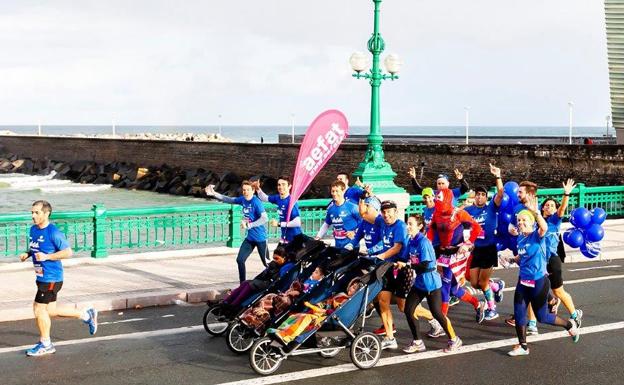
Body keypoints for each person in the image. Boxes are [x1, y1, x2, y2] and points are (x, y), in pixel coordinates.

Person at [19, 200, 97, 356]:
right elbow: (36, 247)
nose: (33, 215)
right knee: (51, 310)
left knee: (38, 309)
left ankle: (46, 344)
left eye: (37, 212)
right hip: (42, 277)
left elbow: (68, 252)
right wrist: (28, 254)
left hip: (51, 278)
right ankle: (87, 315)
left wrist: (47, 256)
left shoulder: (53, 232)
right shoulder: (33, 230)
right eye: (32, 212)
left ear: (46, 213)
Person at [507, 202, 580, 357]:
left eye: (524, 220)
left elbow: (545, 228)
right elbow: (522, 257)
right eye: (519, 221)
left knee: (543, 317)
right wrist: (512, 260)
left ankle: (569, 325)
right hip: (523, 282)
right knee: (519, 313)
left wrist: (536, 213)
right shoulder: (520, 238)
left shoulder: (537, 235)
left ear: (532, 223)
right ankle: (523, 347)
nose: (520, 223)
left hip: (539, 282)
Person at [526, 179, 583, 334]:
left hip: (552, 260)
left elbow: (563, 208)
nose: (549, 206)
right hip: (537, 261)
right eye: (547, 204)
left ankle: (574, 314)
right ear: (542, 207)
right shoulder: (535, 220)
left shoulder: (554, 220)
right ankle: (532, 323)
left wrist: (566, 193)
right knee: (532, 290)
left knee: (558, 291)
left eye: (552, 205)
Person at [402, 214, 462, 353]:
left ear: (420, 226)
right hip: (419, 284)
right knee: (408, 310)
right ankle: (417, 342)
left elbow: (427, 266)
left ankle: (454, 339)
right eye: (407, 223)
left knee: (437, 313)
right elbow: (404, 257)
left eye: (410, 224)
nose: (408, 226)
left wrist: (409, 266)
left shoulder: (424, 242)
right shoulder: (410, 241)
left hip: (431, 285)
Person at [428, 189, 486, 323]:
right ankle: (478, 304)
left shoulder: (459, 213)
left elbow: (476, 228)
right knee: (454, 289)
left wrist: (467, 243)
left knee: (445, 287)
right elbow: (431, 230)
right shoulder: (436, 213)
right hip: (444, 253)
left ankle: (441, 322)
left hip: (457, 253)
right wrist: (428, 245)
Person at [464, 164, 506, 321]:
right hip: (477, 249)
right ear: (474, 196)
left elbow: (501, 193)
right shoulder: (469, 211)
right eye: (477, 194)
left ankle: (492, 308)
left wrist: (498, 176)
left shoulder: (491, 208)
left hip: (489, 248)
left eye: (482, 194)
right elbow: (457, 217)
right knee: (474, 283)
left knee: (482, 282)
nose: (480, 197)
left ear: (486, 197)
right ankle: (496, 286)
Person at [206, 181, 269, 282]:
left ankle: (274, 282)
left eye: (248, 190)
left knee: (267, 263)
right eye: (244, 190)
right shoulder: (243, 200)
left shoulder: (256, 202)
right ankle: (242, 284)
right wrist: (214, 193)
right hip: (250, 238)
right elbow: (229, 199)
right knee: (240, 260)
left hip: (261, 238)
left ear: (253, 191)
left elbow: (265, 218)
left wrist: (249, 225)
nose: (245, 192)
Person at [267, 278, 364, 344]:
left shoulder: (347, 301)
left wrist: (317, 308)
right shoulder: (341, 295)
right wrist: (317, 305)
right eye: (352, 285)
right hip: (321, 312)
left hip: (327, 318)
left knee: (305, 318)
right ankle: (281, 331)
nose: (351, 287)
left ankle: (287, 337)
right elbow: (327, 302)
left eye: (354, 288)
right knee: (294, 316)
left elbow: (332, 311)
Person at [373, 200, 410, 350]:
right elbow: (365, 213)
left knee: (404, 307)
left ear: (396, 212)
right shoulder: (382, 223)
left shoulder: (400, 226)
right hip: (387, 268)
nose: (386, 214)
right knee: (382, 300)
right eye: (384, 211)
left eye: (389, 211)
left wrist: (380, 256)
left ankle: (433, 319)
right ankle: (390, 337)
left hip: (400, 269)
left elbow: (396, 248)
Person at [221, 245, 291, 308]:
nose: (274, 260)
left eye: (277, 258)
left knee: (249, 284)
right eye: (273, 258)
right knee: (245, 283)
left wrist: (270, 270)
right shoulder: (274, 264)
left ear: (284, 258)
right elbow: (263, 274)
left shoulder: (284, 267)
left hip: (270, 284)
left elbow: (276, 278)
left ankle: (234, 304)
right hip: (264, 281)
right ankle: (225, 302)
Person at [253, 176, 302, 244]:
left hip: (295, 239)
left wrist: (279, 224)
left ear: (289, 186)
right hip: (285, 238)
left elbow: (297, 222)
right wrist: (258, 189)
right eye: (279, 185)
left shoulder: (291, 202)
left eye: (283, 184)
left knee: (278, 254)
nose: (281, 187)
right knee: (277, 254)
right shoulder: (278, 198)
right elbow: (265, 198)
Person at [315, 180, 361, 249]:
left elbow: (364, 222)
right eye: (333, 191)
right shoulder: (331, 209)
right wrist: (318, 237)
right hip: (338, 245)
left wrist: (355, 232)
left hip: (351, 245)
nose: (334, 193)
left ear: (343, 191)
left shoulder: (352, 207)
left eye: (337, 191)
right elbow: (326, 224)